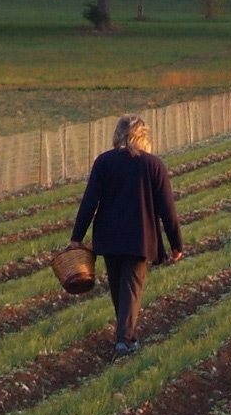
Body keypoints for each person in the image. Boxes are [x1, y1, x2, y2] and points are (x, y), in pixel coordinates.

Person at [69, 115, 183, 356]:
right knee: (130, 289)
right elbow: (167, 209)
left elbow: (89, 202)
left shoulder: (104, 162)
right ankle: (124, 341)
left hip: (109, 238)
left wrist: (76, 237)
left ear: (118, 134)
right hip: (140, 238)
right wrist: (177, 244)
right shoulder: (153, 165)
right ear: (143, 136)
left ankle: (127, 336)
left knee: (119, 290)